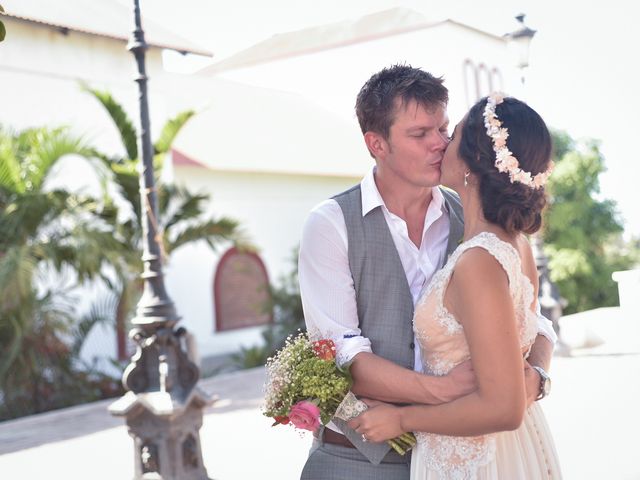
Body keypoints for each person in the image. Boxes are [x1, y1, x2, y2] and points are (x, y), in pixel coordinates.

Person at [298, 65, 557, 480]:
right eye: (420, 134)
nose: (439, 144)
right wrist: (439, 391)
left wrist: (537, 376)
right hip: (359, 457)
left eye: (443, 129)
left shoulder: (478, 226)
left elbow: (532, 320)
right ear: (376, 144)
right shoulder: (331, 224)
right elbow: (342, 354)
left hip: (464, 450)